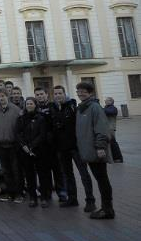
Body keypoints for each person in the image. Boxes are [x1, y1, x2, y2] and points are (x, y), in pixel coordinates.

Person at [50, 86, 96, 212]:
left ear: (65, 94)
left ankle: (90, 200)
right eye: (55, 93)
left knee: (84, 174)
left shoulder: (72, 107)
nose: (58, 95)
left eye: (60, 93)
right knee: (67, 174)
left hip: (75, 147)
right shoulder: (53, 108)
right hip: (62, 148)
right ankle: (72, 198)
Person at [75, 82, 115, 219]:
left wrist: (100, 147)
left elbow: (102, 130)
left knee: (102, 180)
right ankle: (106, 208)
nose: (80, 93)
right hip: (89, 151)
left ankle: (107, 209)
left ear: (90, 93)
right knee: (100, 179)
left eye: (83, 91)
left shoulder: (94, 107)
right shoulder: (82, 108)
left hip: (97, 151)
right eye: (78, 91)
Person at [17, 98, 52, 208]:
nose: (29, 105)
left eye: (31, 103)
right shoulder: (21, 119)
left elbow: (42, 134)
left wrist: (32, 146)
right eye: (27, 104)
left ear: (35, 105)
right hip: (26, 151)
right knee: (29, 175)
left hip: (39, 150)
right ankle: (32, 197)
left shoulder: (41, 118)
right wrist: (24, 146)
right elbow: (18, 134)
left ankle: (44, 197)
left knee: (42, 174)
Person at [0, 89, 23, 203]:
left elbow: (20, 126)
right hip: (1, 144)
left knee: (16, 170)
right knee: (6, 170)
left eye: (3, 96)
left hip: (14, 144)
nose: (1, 98)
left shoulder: (16, 109)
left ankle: (19, 193)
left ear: (7, 96)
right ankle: (10, 193)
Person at [104, 97, 123, 163]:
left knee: (113, 143)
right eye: (105, 100)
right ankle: (112, 158)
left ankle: (118, 158)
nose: (105, 101)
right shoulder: (106, 107)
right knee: (109, 143)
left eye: (107, 100)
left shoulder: (113, 108)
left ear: (111, 101)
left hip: (111, 128)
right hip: (107, 128)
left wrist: (101, 109)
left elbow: (110, 112)